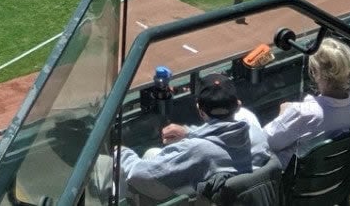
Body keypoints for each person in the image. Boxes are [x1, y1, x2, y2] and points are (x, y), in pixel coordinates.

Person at [114, 76, 272, 202]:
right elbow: (223, 137)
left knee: (119, 168)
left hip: (204, 198)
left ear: (200, 111)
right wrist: (189, 133)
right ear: (238, 106)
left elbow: (139, 174)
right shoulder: (257, 134)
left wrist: (121, 153)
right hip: (242, 199)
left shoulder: (198, 150)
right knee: (153, 153)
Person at [263, 38, 350, 169]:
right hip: (336, 176)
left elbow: (265, 142)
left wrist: (283, 115)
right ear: (349, 74)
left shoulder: (302, 113)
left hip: (295, 181)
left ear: (314, 73)